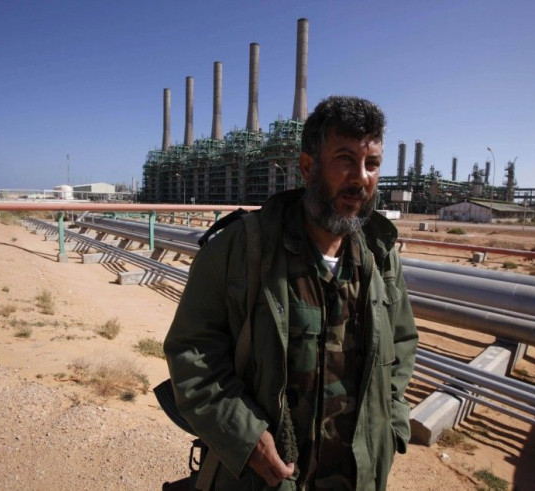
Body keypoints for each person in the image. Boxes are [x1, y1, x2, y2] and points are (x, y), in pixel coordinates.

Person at [164, 95, 418, 490]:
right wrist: (246, 439)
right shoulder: (241, 250)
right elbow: (192, 354)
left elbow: (402, 345)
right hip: (263, 479)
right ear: (307, 166)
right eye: (345, 159)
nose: (362, 177)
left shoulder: (380, 258)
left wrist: (392, 426)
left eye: (372, 164)